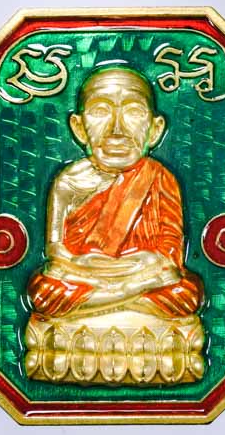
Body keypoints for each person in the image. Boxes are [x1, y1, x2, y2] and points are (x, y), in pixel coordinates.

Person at [27, 67, 204, 319]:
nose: (117, 129)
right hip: (88, 275)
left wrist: (140, 265)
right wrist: (84, 265)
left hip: (139, 274)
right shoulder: (68, 181)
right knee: (43, 289)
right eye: (100, 111)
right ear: (78, 127)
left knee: (184, 291)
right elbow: (55, 250)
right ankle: (126, 299)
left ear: (155, 129)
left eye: (133, 112)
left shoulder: (159, 177)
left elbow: (169, 255)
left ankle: (105, 301)